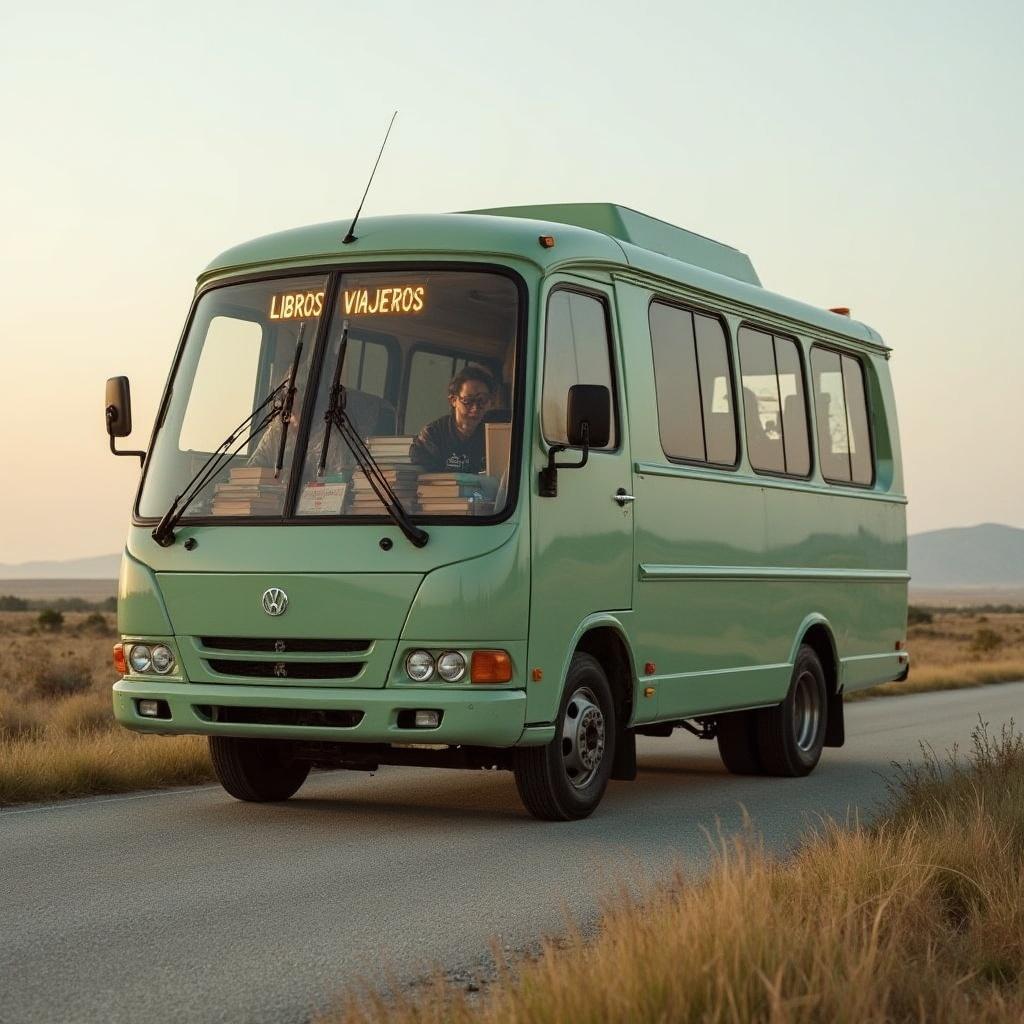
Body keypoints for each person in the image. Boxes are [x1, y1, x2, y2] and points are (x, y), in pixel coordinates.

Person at [410, 364, 499, 473]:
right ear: (453, 400)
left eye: (482, 400)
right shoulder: (432, 435)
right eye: (468, 400)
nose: (475, 408)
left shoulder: (497, 434)